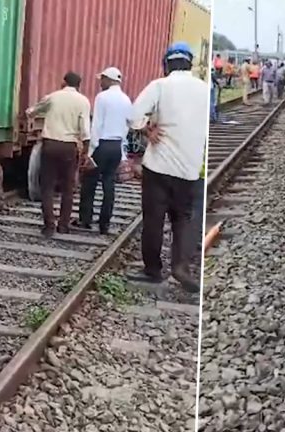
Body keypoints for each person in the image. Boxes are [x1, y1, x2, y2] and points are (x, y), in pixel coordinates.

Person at [127, 42, 207, 293]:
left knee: (153, 219)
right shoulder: (204, 89)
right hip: (189, 168)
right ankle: (180, 266)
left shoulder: (160, 85)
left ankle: (153, 270)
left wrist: (145, 128)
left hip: (159, 166)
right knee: (182, 219)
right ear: (190, 64)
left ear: (167, 64)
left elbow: (133, 115)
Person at [26, 71, 91, 237]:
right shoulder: (83, 101)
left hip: (50, 145)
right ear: (79, 85)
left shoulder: (53, 97)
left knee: (47, 186)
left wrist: (36, 115)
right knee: (68, 188)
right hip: (69, 148)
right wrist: (85, 150)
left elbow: (31, 111)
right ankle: (63, 225)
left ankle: (49, 226)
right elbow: (85, 130)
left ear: (64, 82)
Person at [77, 67, 132, 235]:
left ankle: (85, 220)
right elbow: (127, 125)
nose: (100, 83)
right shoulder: (126, 99)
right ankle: (104, 224)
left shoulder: (102, 97)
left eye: (102, 79)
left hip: (102, 144)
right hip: (116, 146)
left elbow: (97, 125)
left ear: (108, 79)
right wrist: (122, 151)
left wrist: (91, 151)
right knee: (109, 183)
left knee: (89, 182)